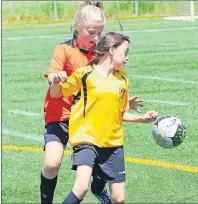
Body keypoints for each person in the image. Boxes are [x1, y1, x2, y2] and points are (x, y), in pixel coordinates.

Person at [50, 32, 157, 204]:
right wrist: (55, 80)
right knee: (81, 187)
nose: (127, 57)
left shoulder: (122, 79)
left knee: (118, 199)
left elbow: (119, 113)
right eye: (125, 52)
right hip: (87, 139)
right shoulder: (84, 74)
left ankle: (99, 189)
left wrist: (142, 119)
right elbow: (57, 93)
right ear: (112, 50)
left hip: (113, 143)